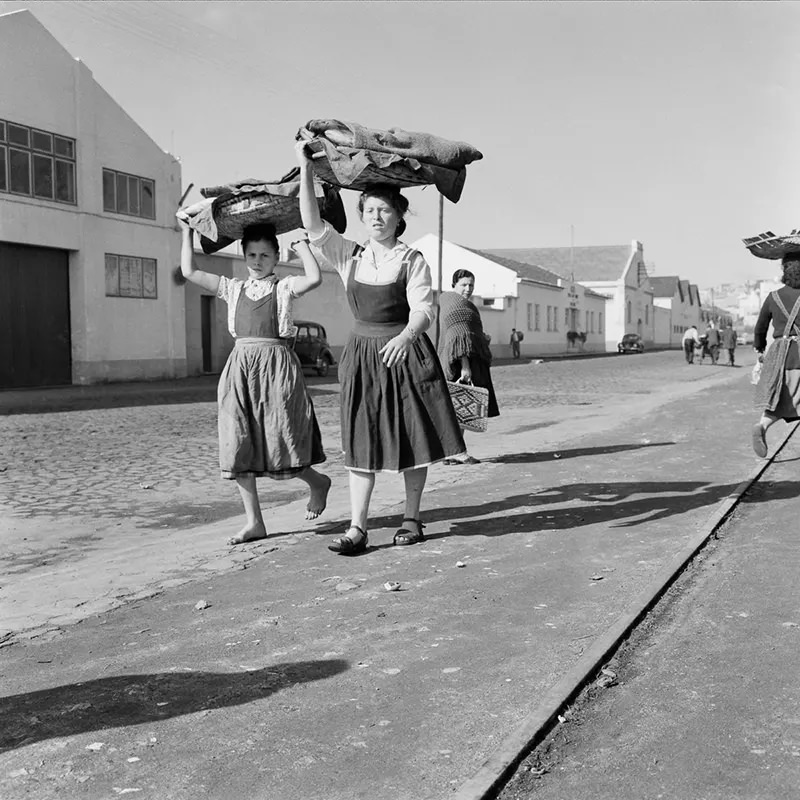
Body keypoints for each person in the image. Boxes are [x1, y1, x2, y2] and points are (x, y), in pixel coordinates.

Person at [295, 141, 465, 554]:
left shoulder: (412, 260)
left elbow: (424, 308)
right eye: (369, 210)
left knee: (414, 438)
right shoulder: (348, 255)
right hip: (362, 356)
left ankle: (412, 518)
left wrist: (407, 336)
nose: (376, 216)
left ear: (399, 216)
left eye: (385, 210)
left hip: (404, 353)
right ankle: (357, 528)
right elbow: (312, 223)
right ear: (361, 215)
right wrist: (305, 168)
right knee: (361, 441)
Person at [177, 216, 331, 544]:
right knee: (237, 442)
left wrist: (303, 247)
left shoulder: (285, 287)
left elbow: (315, 278)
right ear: (243, 256)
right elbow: (189, 272)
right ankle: (254, 522)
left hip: (277, 368)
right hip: (240, 368)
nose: (257, 262)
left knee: (281, 440)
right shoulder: (232, 289)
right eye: (251, 255)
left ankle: (317, 482)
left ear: (276, 258)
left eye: (264, 255)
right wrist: (187, 232)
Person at [438, 269, 500, 465]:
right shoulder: (453, 302)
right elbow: (459, 336)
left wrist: (481, 339)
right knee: (460, 406)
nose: (468, 288)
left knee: (461, 407)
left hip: (465, 359)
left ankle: (452, 451)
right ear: (454, 284)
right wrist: (465, 366)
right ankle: (456, 451)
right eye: (464, 284)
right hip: (459, 362)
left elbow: (469, 333)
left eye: (471, 285)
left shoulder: (468, 305)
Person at [751, 252, 800, 458]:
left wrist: (760, 348)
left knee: (780, 400)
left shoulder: (773, 297)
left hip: (779, 357)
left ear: (784, 270)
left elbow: (759, 328)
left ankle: (761, 426)